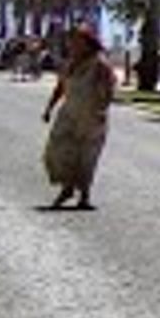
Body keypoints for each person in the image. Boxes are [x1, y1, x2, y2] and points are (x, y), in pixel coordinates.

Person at [41, 26, 116, 210]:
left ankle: (84, 195)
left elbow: (109, 88)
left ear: (88, 43)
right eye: (71, 41)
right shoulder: (70, 64)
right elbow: (60, 87)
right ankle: (67, 187)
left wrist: (101, 108)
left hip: (91, 116)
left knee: (87, 156)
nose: (73, 45)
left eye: (77, 41)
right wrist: (49, 108)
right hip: (69, 113)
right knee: (59, 150)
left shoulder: (100, 64)